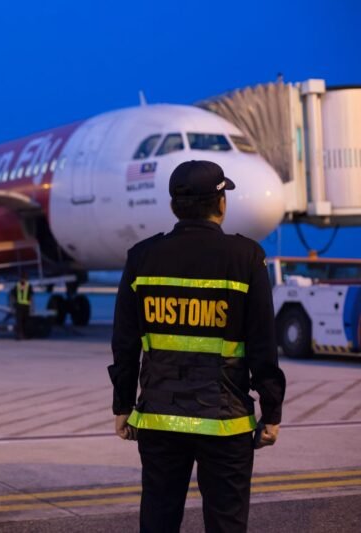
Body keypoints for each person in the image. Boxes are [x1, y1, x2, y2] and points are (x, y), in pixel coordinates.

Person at [108, 160, 286, 533]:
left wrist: (122, 404)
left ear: (174, 206)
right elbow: (263, 346)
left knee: (158, 517)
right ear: (221, 204)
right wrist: (272, 411)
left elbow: (124, 344)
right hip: (227, 423)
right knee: (226, 522)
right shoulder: (246, 257)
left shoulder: (141, 257)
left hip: (159, 417)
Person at [12, 272, 33, 340]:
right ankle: (21, 335)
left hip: (22, 305)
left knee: (23, 321)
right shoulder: (27, 286)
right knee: (21, 321)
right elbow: (31, 296)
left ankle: (22, 334)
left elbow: (13, 294)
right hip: (23, 305)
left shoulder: (18, 285)